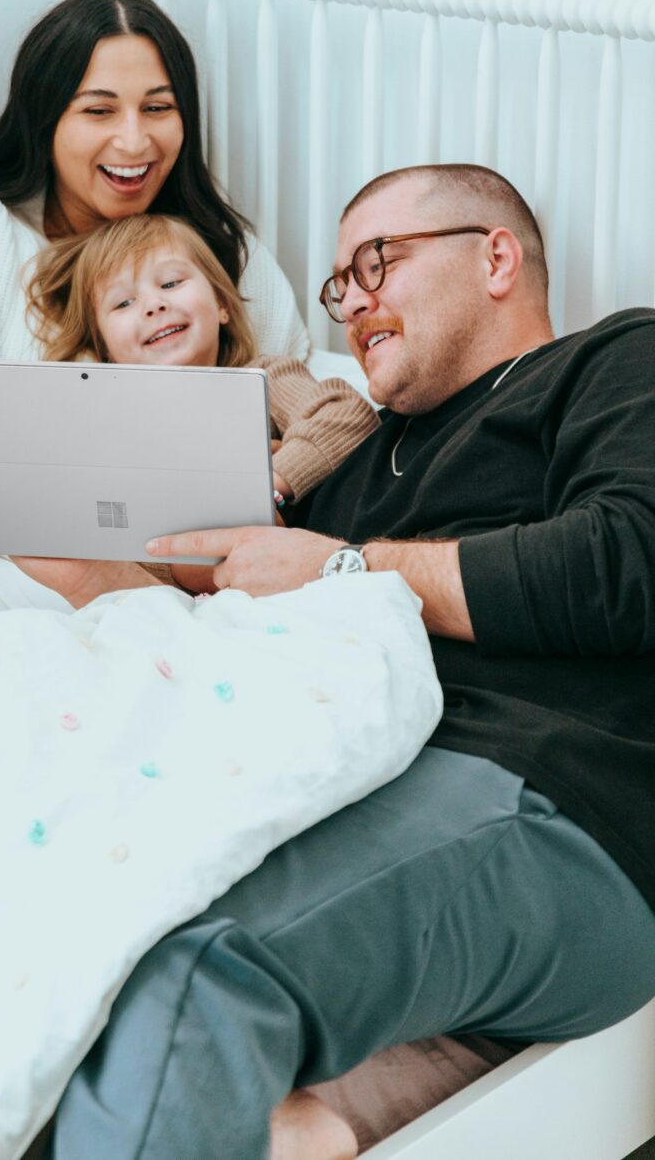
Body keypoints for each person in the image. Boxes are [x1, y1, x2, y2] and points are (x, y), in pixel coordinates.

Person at [46, 163, 655, 1160]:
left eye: (377, 262)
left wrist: (343, 568)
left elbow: (630, 560)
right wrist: (91, 573)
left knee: (193, 973)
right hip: (347, 782)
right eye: (338, 285)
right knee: (58, 949)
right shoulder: (358, 467)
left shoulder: (613, 360)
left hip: (554, 796)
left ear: (495, 255)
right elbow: (241, 627)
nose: (355, 299)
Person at [0, 0, 309, 515]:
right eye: (99, 110)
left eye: (158, 107)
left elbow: (296, 398)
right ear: (45, 119)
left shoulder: (226, 254)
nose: (133, 141)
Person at [25, 212, 378, 509]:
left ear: (222, 306)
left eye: (171, 283)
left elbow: (345, 416)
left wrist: (265, 481)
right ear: (104, 349)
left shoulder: (265, 376)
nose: (153, 305)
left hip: (258, 543)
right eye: (123, 303)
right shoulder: (106, 416)